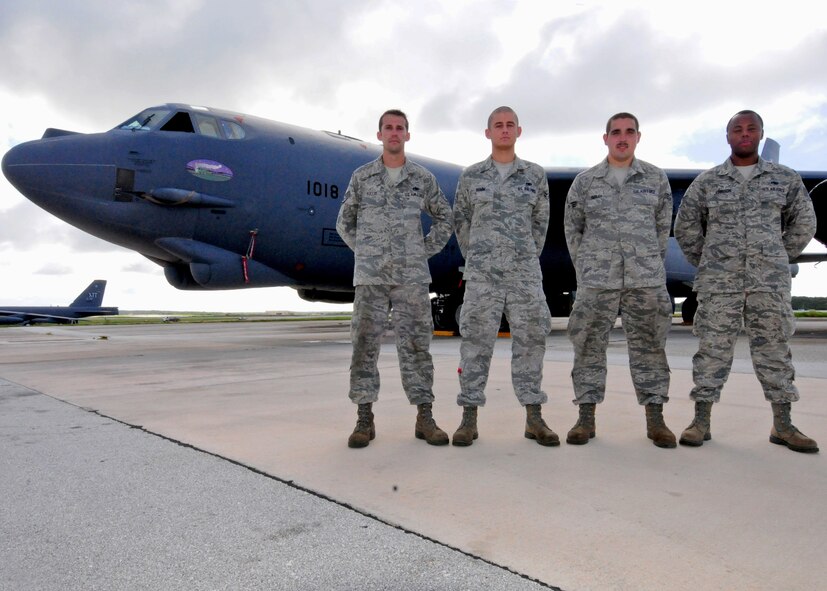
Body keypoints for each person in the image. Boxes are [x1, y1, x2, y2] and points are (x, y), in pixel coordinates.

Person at [674, 110, 818, 453]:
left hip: (768, 285)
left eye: (751, 129)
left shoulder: (784, 179)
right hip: (719, 285)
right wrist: (711, 261)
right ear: (728, 137)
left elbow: (805, 222)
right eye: (737, 129)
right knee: (711, 352)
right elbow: (686, 227)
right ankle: (701, 422)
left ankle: (783, 425)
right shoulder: (708, 182)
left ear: (760, 134)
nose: (744, 134)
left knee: (775, 352)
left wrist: (776, 256)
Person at [336, 109, 454, 448]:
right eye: (388, 128)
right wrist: (366, 250)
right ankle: (364, 420)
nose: (394, 133)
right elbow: (344, 222)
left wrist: (422, 250)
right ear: (379, 135)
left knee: (417, 346)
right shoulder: (362, 177)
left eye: (400, 128)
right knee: (364, 345)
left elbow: (445, 218)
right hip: (371, 278)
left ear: (407, 135)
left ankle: (424, 417)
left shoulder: (422, 178)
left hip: (411, 278)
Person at [563, 113, 676, 448]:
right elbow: (573, 229)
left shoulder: (655, 179)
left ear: (638, 137)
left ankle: (656, 420)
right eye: (616, 132)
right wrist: (587, 268)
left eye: (629, 132)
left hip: (645, 281)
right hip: (597, 281)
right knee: (587, 347)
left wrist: (647, 263)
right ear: (606, 138)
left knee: (651, 348)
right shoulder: (585, 182)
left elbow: (661, 230)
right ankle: (585, 419)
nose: (622, 138)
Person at [451, 106, 557, 447]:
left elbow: (540, 225)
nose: (505, 130)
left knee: (531, 342)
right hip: (482, 277)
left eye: (510, 125)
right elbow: (461, 222)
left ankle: (534, 418)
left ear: (518, 131)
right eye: (498, 125)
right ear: (488, 133)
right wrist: (480, 256)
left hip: (524, 275)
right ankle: (469, 419)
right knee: (475, 344)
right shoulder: (471, 176)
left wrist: (522, 256)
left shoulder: (534, 176)